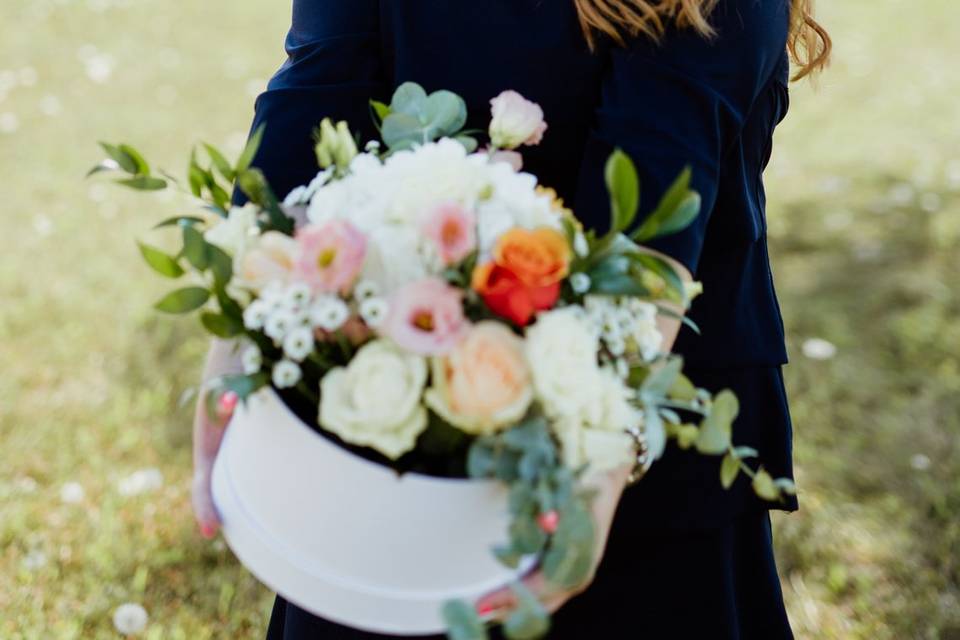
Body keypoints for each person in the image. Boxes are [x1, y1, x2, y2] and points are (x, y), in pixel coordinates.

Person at [191, 1, 831, 637]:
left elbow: (654, 206)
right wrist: (240, 334)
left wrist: (604, 453)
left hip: (649, 427)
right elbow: (319, 89)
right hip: (394, 410)